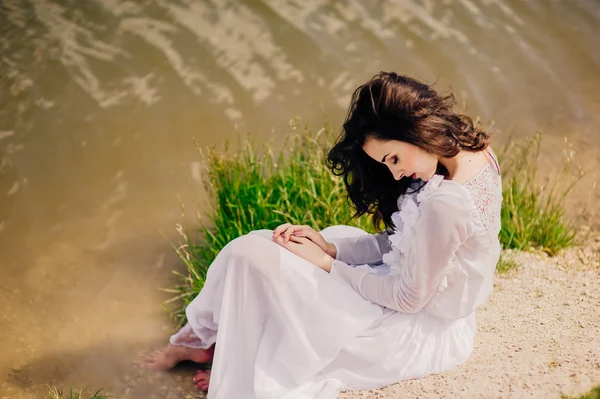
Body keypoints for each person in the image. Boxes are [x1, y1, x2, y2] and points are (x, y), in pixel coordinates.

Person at [139, 71, 503, 398]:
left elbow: (408, 298)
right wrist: (330, 247)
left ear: (414, 130)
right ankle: (205, 341)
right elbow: (404, 243)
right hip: (403, 287)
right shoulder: (473, 151)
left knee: (251, 255)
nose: (394, 174)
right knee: (259, 249)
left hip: (409, 329)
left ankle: (208, 342)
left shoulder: (447, 203)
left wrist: (329, 265)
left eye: (393, 158)